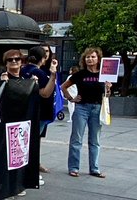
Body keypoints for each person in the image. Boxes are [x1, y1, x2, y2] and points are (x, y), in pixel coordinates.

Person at [61, 46, 112, 178]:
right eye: (88, 57)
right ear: (84, 59)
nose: (90, 59)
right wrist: (71, 98)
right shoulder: (80, 74)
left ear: (98, 59)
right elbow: (63, 86)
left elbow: (107, 95)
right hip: (81, 108)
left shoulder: (103, 74)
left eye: (93, 57)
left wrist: (108, 88)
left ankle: (94, 168)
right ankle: (73, 168)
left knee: (95, 140)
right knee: (76, 138)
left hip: (97, 108)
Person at [21, 44, 58, 174]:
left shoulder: (22, 70)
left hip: (25, 110)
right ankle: (31, 169)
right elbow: (45, 93)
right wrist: (52, 76)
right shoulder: (39, 72)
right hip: (39, 111)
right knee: (33, 141)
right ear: (42, 58)